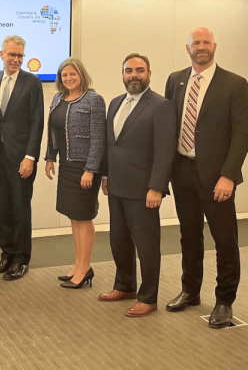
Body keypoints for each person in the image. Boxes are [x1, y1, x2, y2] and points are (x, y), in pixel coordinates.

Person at [164, 27, 248, 328]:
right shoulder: (175, 80)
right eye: (195, 43)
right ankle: (190, 290)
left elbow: (242, 134)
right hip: (182, 170)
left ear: (215, 46)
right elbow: (168, 127)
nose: (201, 47)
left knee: (225, 239)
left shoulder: (236, 84)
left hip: (216, 177)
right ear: (187, 48)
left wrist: (228, 176)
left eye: (206, 42)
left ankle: (225, 301)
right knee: (189, 235)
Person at [98, 53, 176, 317]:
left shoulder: (161, 106)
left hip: (144, 190)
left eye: (140, 70)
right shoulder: (115, 103)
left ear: (149, 74)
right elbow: (112, 144)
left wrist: (157, 187)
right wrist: (106, 175)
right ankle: (125, 285)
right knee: (118, 241)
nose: (134, 75)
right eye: (129, 70)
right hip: (117, 186)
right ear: (122, 75)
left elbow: (165, 151)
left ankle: (148, 297)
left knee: (146, 245)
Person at [44, 58, 106, 288]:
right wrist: (50, 157)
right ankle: (79, 265)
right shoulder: (58, 98)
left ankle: (85, 267)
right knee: (73, 215)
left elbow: (99, 139)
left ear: (82, 75)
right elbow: (52, 132)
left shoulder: (94, 100)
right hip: (66, 165)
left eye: (73, 74)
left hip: (84, 167)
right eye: (64, 75)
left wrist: (91, 169)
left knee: (84, 217)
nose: (68, 78)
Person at [0, 35, 44, 281]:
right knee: (3, 208)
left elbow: (36, 122)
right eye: (11, 54)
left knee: (20, 208)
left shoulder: (32, 82)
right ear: (2, 55)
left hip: (21, 158)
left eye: (20, 55)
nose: (16, 59)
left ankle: (21, 259)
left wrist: (30, 156)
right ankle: (7, 254)